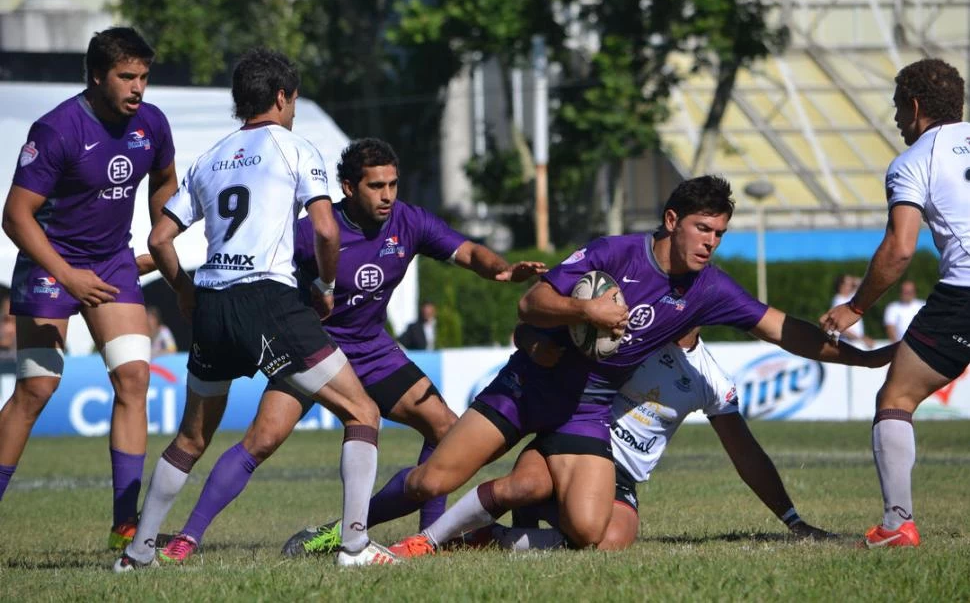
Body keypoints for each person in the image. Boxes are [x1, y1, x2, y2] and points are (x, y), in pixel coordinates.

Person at [384, 174, 894, 558]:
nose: (710, 242)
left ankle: (462, 539)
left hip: (586, 409)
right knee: (432, 481)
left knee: (592, 533)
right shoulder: (615, 254)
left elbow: (786, 330)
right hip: (530, 386)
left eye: (719, 233)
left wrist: (863, 359)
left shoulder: (710, 290)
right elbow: (531, 306)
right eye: (702, 228)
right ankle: (353, 530)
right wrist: (583, 311)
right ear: (672, 221)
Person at [114, 49, 393, 571]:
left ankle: (136, 553)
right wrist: (328, 286)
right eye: (294, 101)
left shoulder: (210, 157)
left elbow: (159, 238)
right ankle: (354, 548)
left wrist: (183, 291)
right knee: (363, 412)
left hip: (213, 305)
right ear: (284, 97)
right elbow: (327, 229)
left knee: (191, 438)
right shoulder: (294, 147)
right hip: (269, 299)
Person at [240, 137, 542, 557]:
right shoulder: (313, 230)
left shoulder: (408, 222)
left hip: (371, 349)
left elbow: (469, 250)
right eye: (376, 186)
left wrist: (503, 270)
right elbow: (265, 278)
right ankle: (177, 539)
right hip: (316, 349)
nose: (387, 195)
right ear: (348, 187)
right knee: (263, 439)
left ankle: (420, 536)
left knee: (445, 427)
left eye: (393, 185)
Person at [411, 326, 836, 552]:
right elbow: (536, 330)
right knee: (523, 486)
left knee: (609, 544)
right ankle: (430, 541)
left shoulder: (712, 381)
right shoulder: (621, 336)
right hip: (569, 444)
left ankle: (491, 539)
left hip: (621, 477)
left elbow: (746, 455)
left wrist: (792, 520)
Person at [0, 27, 177, 550]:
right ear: (97, 75)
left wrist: (158, 231)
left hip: (112, 262)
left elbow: (165, 178)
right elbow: (15, 215)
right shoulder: (57, 128)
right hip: (49, 261)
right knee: (36, 389)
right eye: (127, 76)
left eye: (144, 76)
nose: (138, 88)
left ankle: (126, 526)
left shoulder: (152, 124)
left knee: (134, 381)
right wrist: (67, 274)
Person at [820, 58, 970, 549]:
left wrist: (855, 308)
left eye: (897, 109)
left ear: (916, 105)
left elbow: (899, 248)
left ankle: (896, 524)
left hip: (964, 292)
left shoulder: (913, 161)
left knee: (897, 399)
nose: (896, 121)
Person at [831, 275, 874, 348]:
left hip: (855, 343)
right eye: (849, 284)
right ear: (841, 286)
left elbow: (864, 284)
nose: (852, 286)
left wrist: (853, 281)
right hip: (847, 344)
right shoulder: (838, 301)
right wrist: (862, 339)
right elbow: (841, 327)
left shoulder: (850, 298)